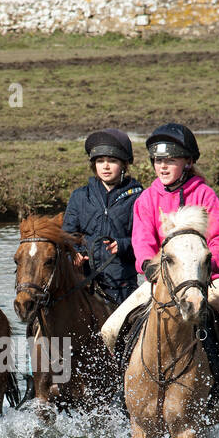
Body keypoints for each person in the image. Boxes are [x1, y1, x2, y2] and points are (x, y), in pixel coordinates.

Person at [100, 122, 219, 407]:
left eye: (170, 160)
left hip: (206, 280)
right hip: (160, 282)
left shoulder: (204, 195)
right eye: (158, 161)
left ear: (187, 162)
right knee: (110, 329)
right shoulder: (146, 199)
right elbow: (142, 243)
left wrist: (204, 268)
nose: (163, 167)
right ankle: (127, 387)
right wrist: (149, 267)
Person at [61, 129, 143, 307]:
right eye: (100, 161)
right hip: (83, 283)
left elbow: (145, 240)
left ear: (124, 165)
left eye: (112, 161)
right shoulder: (79, 196)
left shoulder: (140, 198)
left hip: (122, 285)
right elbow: (67, 235)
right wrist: (75, 252)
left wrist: (122, 245)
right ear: (94, 165)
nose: (105, 166)